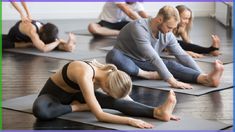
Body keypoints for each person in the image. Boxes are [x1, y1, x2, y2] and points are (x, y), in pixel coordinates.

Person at [32, 60, 180, 129]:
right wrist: (130, 121)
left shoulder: (110, 74)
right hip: (53, 97)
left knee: (114, 102)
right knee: (40, 111)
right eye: (108, 92)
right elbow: (100, 115)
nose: (106, 94)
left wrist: (148, 110)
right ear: (107, 87)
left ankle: (158, 112)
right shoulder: (85, 74)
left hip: (76, 96)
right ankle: (77, 108)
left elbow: (123, 99)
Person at [106, 5, 224, 89]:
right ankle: (147, 75)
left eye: (173, 28)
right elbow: (153, 57)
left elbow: (182, 55)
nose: (170, 31)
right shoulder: (139, 27)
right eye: (169, 27)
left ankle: (206, 79)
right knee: (113, 55)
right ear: (159, 19)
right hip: (126, 59)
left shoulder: (168, 33)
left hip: (145, 62)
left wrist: (201, 73)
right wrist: (171, 81)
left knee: (170, 64)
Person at [2, 2, 76, 52]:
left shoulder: (43, 27)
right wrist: (59, 41)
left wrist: (63, 41)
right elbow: (43, 49)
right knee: (4, 44)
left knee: (57, 44)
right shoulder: (32, 30)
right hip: (14, 38)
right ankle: (25, 44)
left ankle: (67, 46)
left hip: (31, 37)